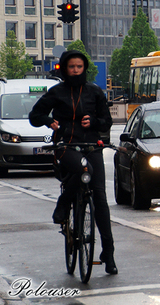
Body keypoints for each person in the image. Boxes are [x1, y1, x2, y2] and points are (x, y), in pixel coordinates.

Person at [29, 50, 117, 275]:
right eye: (72, 67)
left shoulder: (95, 91)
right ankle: (63, 203)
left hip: (91, 145)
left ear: (84, 68)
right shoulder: (56, 92)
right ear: (65, 69)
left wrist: (94, 121)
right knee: (83, 168)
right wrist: (50, 122)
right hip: (65, 147)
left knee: (99, 196)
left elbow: (106, 121)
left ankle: (108, 253)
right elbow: (34, 116)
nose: (76, 71)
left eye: (79, 67)